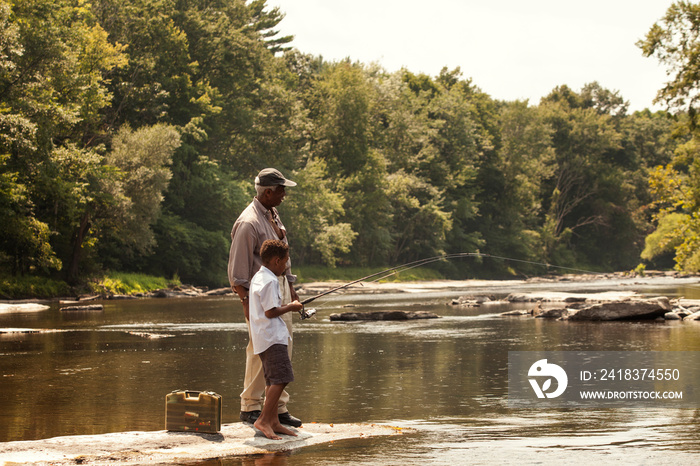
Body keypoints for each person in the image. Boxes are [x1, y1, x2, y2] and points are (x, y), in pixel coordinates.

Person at [227, 168, 302, 427]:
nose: (284, 195)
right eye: (281, 190)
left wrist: (291, 287)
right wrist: (245, 302)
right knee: (261, 350)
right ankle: (251, 406)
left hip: (279, 287)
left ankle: (278, 408)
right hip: (259, 294)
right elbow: (237, 271)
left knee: (283, 348)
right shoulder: (248, 223)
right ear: (268, 192)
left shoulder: (272, 214)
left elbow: (283, 254)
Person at [248, 239, 303, 439]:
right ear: (277, 261)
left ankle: (274, 421)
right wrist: (292, 306)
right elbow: (271, 312)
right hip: (272, 337)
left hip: (264, 337)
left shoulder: (258, 277)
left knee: (273, 380)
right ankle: (263, 420)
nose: (286, 266)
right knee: (282, 378)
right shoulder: (270, 280)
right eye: (286, 262)